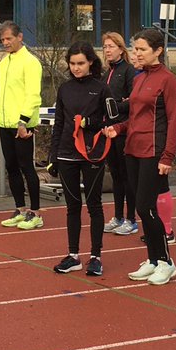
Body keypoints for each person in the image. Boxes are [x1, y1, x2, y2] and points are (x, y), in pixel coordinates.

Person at [106, 28, 176, 285]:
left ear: (158, 51)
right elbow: (135, 118)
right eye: (135, 48)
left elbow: (172, 120)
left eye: (141, 49)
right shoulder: (139, 78)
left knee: (146, 208)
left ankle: (166, 262)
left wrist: (168, 156)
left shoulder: (168, 79)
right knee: (141, 208)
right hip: (132, 150)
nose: (136, 53)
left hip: (153, 152)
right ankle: (152, 259)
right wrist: (117, 128)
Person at [49, 43, 115, 277]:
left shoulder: (101, 88)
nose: (76, 68)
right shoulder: (64, 89)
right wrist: (52, 156)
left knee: (94, 205)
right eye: (72, 64)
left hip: (92, 153)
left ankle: (95, 256)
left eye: (81, 63)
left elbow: (112, 120)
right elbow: (58, 123)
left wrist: (92, 123)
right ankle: (74, 255)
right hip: (67, 153)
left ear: (91, 63)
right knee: (72, 207)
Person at [0, 22, 45, 231]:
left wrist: (23, 120)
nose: (6, 43)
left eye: (9, 38)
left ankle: (36, 213)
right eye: (3, 40)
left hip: (22, 124)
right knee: (11, 168)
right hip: (4, 123)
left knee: (26, 167)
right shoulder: (4, 63)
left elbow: (33, 94)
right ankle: (20, 209)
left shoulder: (31, 62)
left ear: (20, 37)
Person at [101, 31, 138, 236]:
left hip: (124, 130)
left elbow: (134, 100)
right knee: (115, 175)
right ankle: (118, 216)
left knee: (127, 176)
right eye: (105, 46)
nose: (107, 50)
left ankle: (131, 219)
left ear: (121, 49)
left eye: (111, 46)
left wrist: (117, 107)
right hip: (108, 131)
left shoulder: (128, 71)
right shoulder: (106, 74)